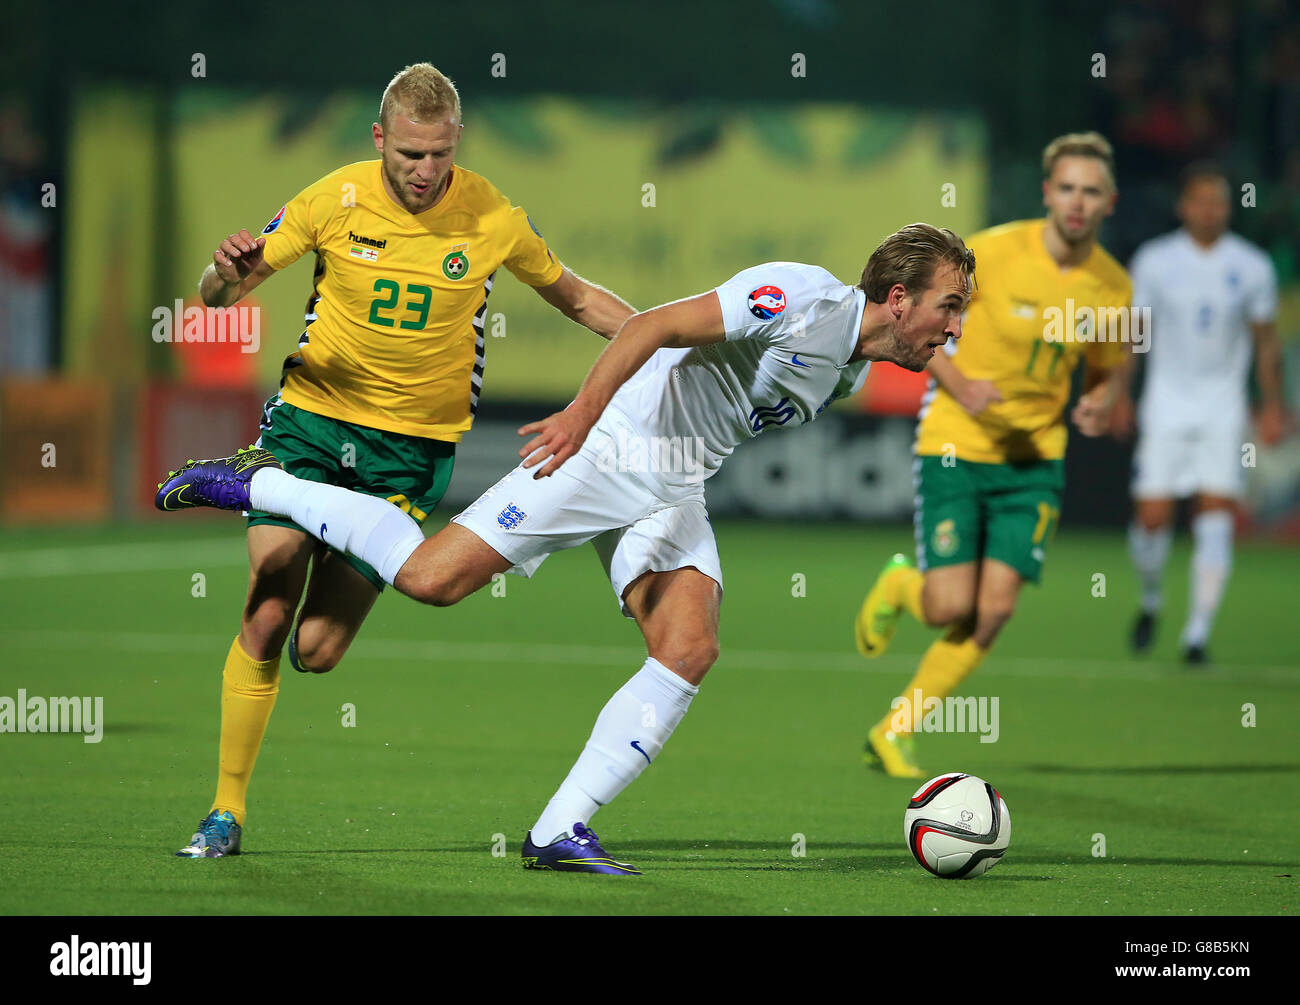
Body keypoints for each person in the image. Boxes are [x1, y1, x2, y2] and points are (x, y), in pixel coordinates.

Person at [155, 222, 976, 873]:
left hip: (670, 482)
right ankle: (260, 482)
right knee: (431, 579)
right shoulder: (802, 299)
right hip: (609, 451)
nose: (956, 325)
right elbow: (655, 326)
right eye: (949, 306)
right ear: (899, 297)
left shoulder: (849, 371)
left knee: (690, 645)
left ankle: (558, 828)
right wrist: (584, 417)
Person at [168, 62, 635, 858]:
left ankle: (289, 526)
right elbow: (217, 296)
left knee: (316, 648)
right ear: (380, 138)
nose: (423, 173)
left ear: (457, 143)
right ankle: (224, 812)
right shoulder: (332, 198)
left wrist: (672, 347)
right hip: (310, 425)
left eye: (438, 157)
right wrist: (222, 272)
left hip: (408, 457)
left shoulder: (491, 214)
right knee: (270, 598)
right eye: (409, 154)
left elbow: (584, 300)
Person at [853, 132, 1133, 778]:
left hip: (1036, 458)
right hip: (958, 440)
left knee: (996, 608)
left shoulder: (1113, 286)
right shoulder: (998, 253)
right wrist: (963, 387)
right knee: (951, 605)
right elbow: (929, 329)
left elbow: (1107, 368)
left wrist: (1099, 400)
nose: (1077, 202)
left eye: (1091, 191)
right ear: (1047, 192)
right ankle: (902, 582)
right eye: (1067, 187)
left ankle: (895, 730)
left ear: (1109, 202)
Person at [1120, 163, 1285, 664]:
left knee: (1214, 515)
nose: (1209, 209)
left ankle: (1196, 634)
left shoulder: (1253, 266)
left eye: (1218, 201)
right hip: (1166, 404)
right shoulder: (1154, 260)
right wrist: (1118, 392)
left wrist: (1274, 405)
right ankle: (1151, 599)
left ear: (1228, 208)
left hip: (1223, 407)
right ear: (1183, 206)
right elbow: (1136, 333)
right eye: (1200, 200)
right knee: (1151, 519)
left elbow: (1265, 344)